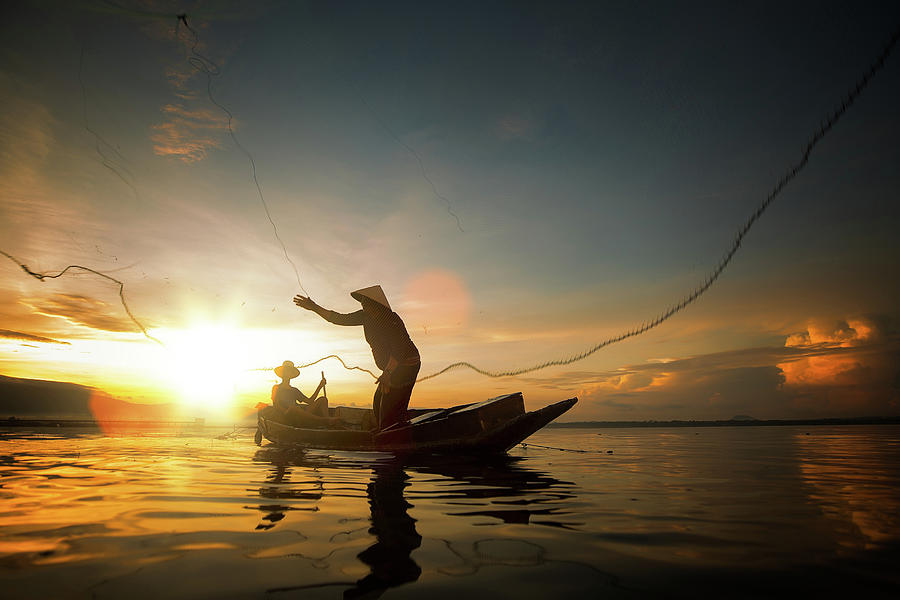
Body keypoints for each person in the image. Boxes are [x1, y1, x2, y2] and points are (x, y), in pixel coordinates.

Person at [293, 285, 420, 431]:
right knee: (378, 401)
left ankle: (392, 432)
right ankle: (387, 429)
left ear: (376, 304)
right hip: (391, 368)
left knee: (389, 407)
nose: (364, 305)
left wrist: (387, 373)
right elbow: (338, 318)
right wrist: (314, 307)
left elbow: (398, 350)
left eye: (366, 302)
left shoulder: (391, 319)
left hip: (406, 365)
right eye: (362, 303)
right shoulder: (365, 317)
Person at [271, 360, 343, 428]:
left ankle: (328, 421)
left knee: (323, 399)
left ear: (291, 374)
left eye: (289, 372)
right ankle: (324, 420)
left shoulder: (294, 390)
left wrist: (320, 386)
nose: (287, 373)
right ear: (282, 373)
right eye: (285, 371)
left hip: (299, 416)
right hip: (286, 417)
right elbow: (276, 405)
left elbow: (310, 401)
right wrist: (286, 411)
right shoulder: (276, 388)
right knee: (293, 408)